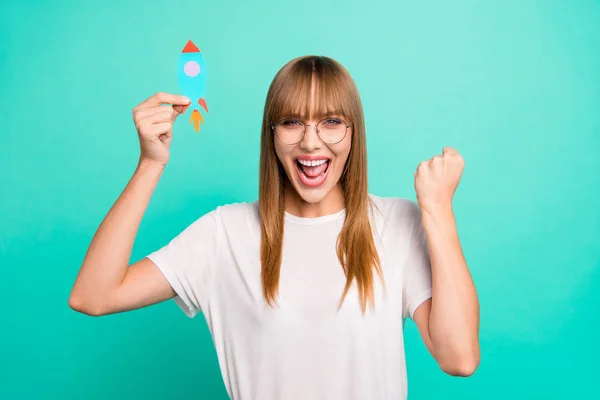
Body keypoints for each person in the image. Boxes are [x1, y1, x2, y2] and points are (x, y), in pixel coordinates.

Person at [69, 55, 480, 399]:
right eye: (292, 123)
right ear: (273, 134)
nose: (311, 142)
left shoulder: (396, 224)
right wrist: (150, 164)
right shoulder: (224, 234)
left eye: (332, 122)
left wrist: (438, 211)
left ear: (354, 134)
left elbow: (459, 357)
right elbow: (94, 295)